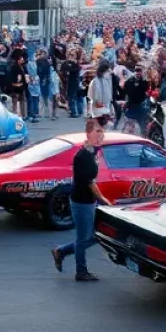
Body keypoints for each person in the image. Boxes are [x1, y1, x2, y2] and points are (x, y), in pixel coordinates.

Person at [50, 118, 112, 282]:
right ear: (88, 134)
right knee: (85, 238)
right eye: (97, 131)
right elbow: (90, 182)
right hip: (82, 202)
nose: (101, 134)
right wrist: (103, 199)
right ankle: (80, 271)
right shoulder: (84, 156)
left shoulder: (91, 152)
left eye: (102, 131)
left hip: (87, 201)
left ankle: (62, 252)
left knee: (90, 237)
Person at [122, 66, 150, 135]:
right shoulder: (130, 80)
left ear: (141, 73)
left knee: (142, 122)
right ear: (135, 72)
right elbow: (125, 90)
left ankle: (143, 134)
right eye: (137, 72)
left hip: (141, 105)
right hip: (132, 105)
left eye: (139, 72)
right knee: (130, 122)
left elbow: (146, 89)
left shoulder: (144, 81)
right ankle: (128, 134)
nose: (138, 74)